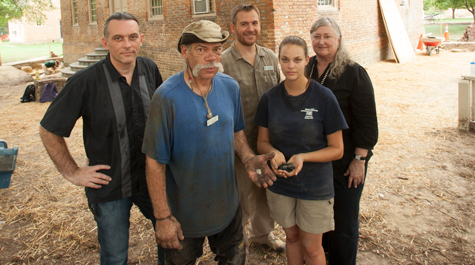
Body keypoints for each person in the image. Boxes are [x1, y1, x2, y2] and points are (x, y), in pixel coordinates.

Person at [142, 20, 277, 265]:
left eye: (216, 49)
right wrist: (162, 218)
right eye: (201, 49)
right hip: (184, 212)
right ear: (185, 51)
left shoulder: (229, 87)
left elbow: (236, 133)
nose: (211, 57)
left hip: (227, 205)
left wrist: (248, 158)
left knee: (235, 258)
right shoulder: (166, 98)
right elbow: (154, 163)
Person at [39, 12, 164, 265]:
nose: (126, 44)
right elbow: (49, 129)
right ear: (106, 42)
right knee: (115, 256)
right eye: (118, 38)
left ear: (142, 39)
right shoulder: (84, 81)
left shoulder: (149, 69)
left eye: (132, 37)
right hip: (110, 186)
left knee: (171, 242)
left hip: (152, 179)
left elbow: (161, 118)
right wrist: (73, 172)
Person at [255, 36, 347, 265]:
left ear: (307, 60)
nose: (290, 66)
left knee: (313, 248)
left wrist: (303, 157)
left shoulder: (324, 97)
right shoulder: (270, 98)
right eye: (285, 60)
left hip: (315, 186)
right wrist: (273, 152)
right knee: (292, 238)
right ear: (279, 60)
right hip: (282, 183)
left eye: (297, 59)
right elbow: (262, 143)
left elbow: (337, 149)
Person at [305, 17, 379, 265]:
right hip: (316, 160)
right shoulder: (307, 69)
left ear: (338, 39)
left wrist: (360, 159)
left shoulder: (353, 73)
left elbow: (367, 123)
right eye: (317, 36)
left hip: (346, 160)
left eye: (327, 36)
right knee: (319, 218)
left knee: (344, 220)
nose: (322, 41)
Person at [221, 3, 285, 253]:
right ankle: (239, 243)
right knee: (240, 196)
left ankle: (262, 234)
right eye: (244, 24)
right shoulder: (224, 61)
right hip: (238, 146)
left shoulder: (269, 56)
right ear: (233, 27)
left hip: (267, 144)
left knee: (264, 193)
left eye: (254, 23)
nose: (250, 28)